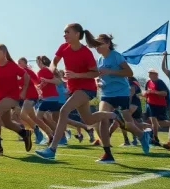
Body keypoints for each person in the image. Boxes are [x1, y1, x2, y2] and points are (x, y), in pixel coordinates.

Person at [36, 24, 122, 161]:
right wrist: (52, 69)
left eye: (67, 32)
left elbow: (95, 73)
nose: (64, 34)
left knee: (64, 111)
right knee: (88, 120)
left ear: (77, 34)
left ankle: (52, 149)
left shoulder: (86, 52)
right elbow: (54, 61)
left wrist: (76, 75)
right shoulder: (63, 48)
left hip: (87, 89)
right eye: (64, 32)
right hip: (75, 89)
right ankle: (113, 116)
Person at [92, 33, 151, 157]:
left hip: (121, 93)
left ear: (108, 44)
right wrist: (98, 81)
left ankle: (142, 135)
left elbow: (129, 72)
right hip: (106, 94)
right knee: (103, 119)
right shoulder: (99, 60)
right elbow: (99, 75)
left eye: (99, 44)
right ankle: (107, 153)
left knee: (127, 124)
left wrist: (110, 71)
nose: (96, 47)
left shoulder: (116, 56)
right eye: (95, 44)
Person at [0, 45, 33, 155]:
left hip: (13, 97)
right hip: (1, 98)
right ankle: (24, 133)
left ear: (4, 53)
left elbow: (26, 76)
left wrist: (24, 90)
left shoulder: (13, 66)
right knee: (7, 123)